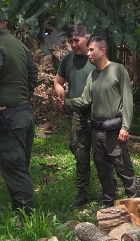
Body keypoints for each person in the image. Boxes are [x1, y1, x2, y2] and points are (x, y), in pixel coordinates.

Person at [62, 36, 140, 207]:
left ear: (102, 51)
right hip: (96, 131)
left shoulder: (118, 70)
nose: (88, 54)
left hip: (115, 129)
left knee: (123, 168)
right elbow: (84, 100)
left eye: (91, 50)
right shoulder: (92, 75)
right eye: (88, 50)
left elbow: (127, 99)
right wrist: (66, 102)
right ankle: (109, 203)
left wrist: (125, 127)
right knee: (102, 169)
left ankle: (136, 204)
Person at [0, 6, 38, 213]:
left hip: (7, 117)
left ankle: (27, 220)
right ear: (3, 24)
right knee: (20, 166)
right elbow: (33, 72)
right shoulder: (19, 45)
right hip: (25, 113)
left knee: (15, 169)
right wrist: (23, 96)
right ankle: (19, 211)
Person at [54, 23, 96, 206]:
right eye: (71, 41)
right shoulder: (67, 60)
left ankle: (109, 188)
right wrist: (59, 91)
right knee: (79, 152)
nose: (73, 44)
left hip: (97, 112)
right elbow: (57, 81)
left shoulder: (95, 57)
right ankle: (82, 192)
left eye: (77, 40)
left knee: (102, 153)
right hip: (76, 113)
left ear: (86, 38)